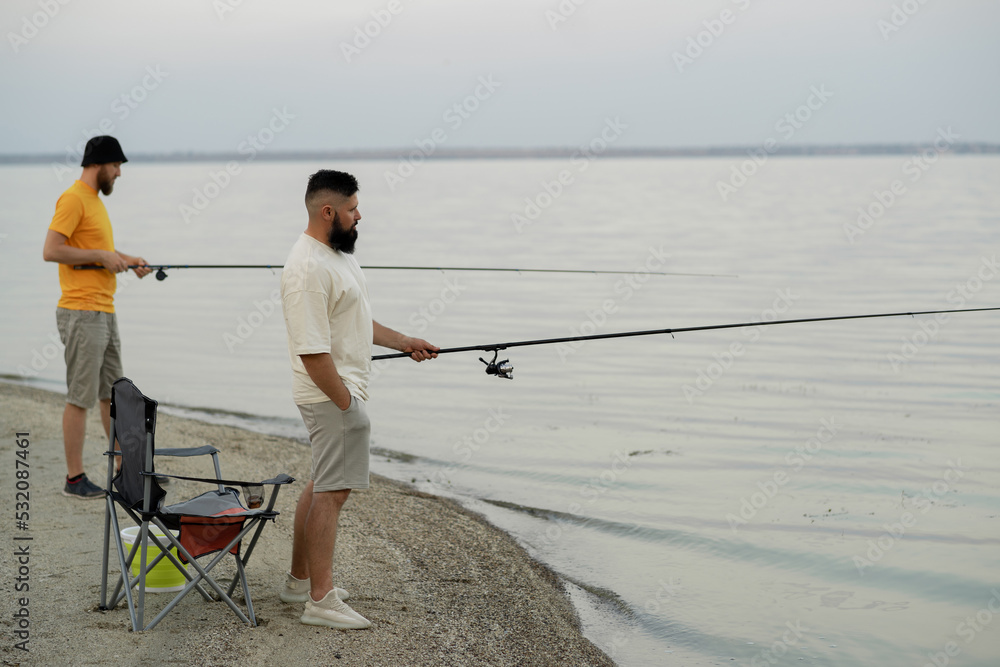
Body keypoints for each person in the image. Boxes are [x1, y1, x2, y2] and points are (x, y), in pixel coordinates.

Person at [279, 169, 439, 630]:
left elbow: (355, 322)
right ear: (328, 211)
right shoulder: (307, 269)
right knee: (333, 490)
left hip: (339, 393)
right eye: (351, 209)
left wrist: (404, 340)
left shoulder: (335, 256)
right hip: (331, 396)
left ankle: (298, 581)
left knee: (322, 483)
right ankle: (320, 600)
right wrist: (348, 405)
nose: (358, 215)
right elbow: (312, 352)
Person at [42, 135, 152, 499]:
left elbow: (96, 251)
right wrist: (104, 259)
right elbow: (52, 250)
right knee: (80, 396)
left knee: (112, 397)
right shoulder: (73, 198)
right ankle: (75, 479)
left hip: (104, 309)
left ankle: (124, 470)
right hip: (81, 311)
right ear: (99, 164)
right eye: (117, 166)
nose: (119, 173)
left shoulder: (94, 202)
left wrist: (126, 258)